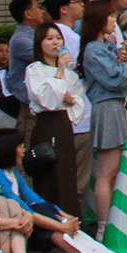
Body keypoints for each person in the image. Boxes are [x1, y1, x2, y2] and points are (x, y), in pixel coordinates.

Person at [0, 130, 105, 253]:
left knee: (43, 207)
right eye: (20, 147)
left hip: (20, 216)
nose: (24, 151)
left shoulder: (13, 173)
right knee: (35, 213)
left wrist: (66, 217)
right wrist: (61, 227)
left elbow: (35, 199)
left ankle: (58, 251)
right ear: (7, 150)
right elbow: (20, 206)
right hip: (6, 222)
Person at [80, 1, 127, 229]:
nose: (113, 21)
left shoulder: (102, 46)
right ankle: (104, 225)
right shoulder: (94, 49)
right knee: (107, 172)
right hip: (107, 107)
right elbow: (115, 79)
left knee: (111, 171)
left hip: (113, 106)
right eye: (109, 16)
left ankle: (108, 223)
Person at [22, 21, 86, 218]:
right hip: (44, 125)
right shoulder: (35, 69)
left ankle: (71, 223)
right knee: (48, 177)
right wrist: (58, 73)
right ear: (39, 43)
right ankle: (48, 228)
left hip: (63, 125)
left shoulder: (70, 73)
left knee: (67, 176)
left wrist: (71, 99)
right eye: (49, 39)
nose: (55, 43)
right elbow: (45, 99)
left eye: (58, 38)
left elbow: (77, 101)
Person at [5, 0, 46, 105]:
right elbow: (47, 57)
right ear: (28, 14)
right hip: (26, 100)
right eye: (38, 7)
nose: (42, 11)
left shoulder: (34, 34)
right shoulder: (21, 39)